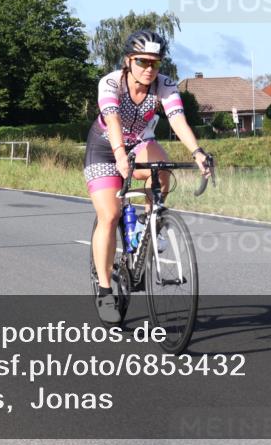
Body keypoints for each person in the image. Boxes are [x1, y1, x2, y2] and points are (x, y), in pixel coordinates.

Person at [86, 30, 211, 323]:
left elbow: (177, 119)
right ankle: (105, 290)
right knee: (110, 214)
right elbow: (113, 119)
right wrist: (118, 154)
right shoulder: (111, 82)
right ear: (128, 61)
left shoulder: (164, 85)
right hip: (105, 149)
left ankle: (146, 224)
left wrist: (197, 152)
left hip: (139, 145)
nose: (149, 69)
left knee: (163, 169)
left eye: (155, 63)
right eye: (142, 62)